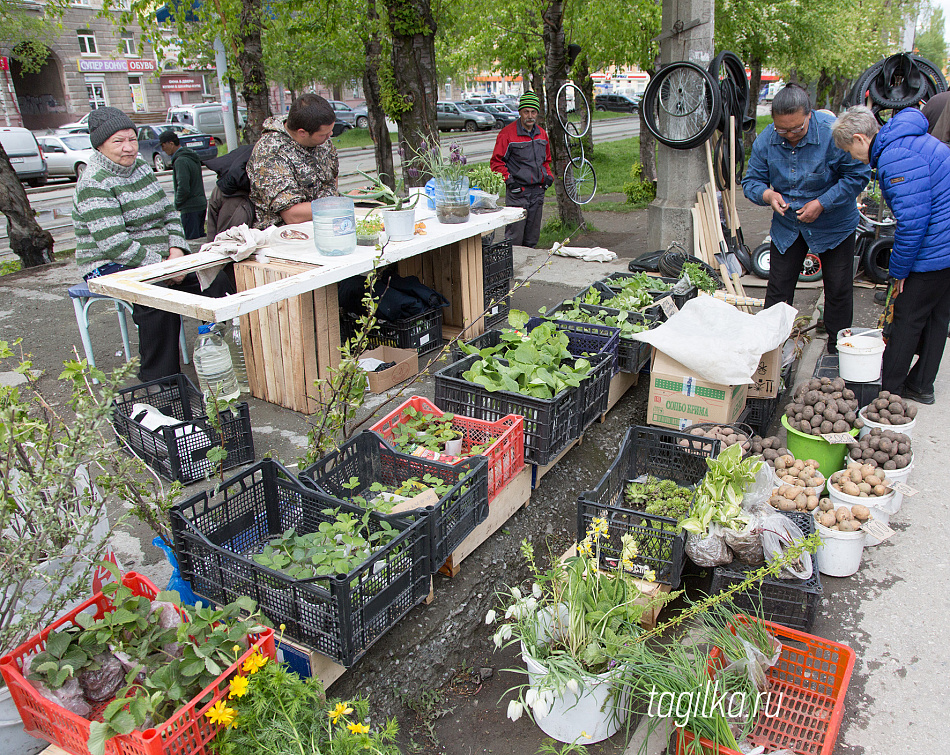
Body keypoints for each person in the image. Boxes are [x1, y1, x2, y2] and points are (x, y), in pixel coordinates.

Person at [832, 105, 950, 404]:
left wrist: (898, 271)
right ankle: (921, 385)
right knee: (937, 316)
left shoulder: (896, 157)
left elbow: (913, 223)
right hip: (946, 244)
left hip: (937, 246)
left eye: (849, 150)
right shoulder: (907, 140)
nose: (851, 157)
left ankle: (889, 392)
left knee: (907, 318)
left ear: (860, 139)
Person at [743, 84, 871, 353]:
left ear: (809, 115)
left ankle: (838, 350)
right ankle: (772, 350)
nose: (789, 136)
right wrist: (767, 195)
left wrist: (822, 203)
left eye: (797, 129)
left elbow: (858, 176)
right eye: (783, 130)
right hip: (788, 225)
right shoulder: (767, 139)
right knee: (778, 290)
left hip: (834, 225)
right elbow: (751, 181)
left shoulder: (832, 133)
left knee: (838, 289)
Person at [73, 107, 189, 382]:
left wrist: (177, 252)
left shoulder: (141, 169)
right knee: (157, 299)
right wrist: (163, 268)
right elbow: (115, 244)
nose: (128, 148)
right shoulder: (93, 182)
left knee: (214, 280)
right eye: (118, 141)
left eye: (132, 139)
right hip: (110, 264)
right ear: (99, 145)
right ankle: (161, 382)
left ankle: (221, 354)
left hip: (163, 258)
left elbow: (170, 214)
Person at [247, 93, 339, 229]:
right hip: (286, 234)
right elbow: (292, 215)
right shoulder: (271, 152)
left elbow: (332, 180)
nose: (329, 136)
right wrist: (340, 205)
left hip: (325, 222)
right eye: (323, 134)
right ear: (302, 132)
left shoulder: (322, 141)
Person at [490, 91, 554, 248]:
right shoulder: (507, 134)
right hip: (518, 193)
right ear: (520, 112)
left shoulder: (542, 134)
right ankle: (513, 269)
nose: (530, 116)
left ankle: (529, 269)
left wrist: (548, 177)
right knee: (515, 238)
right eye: (526, 112)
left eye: (533, 112)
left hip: (537, 192)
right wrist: (510, 182)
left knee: (532, 237)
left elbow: (546, 160)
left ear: (537, 113)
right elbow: (496, 163)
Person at [159, 130, 208, 241]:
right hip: (200, 204)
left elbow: (183, 187)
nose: (162, 149)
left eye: (163, 145)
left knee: (191, 241)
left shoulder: (181, 160)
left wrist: (177, 204)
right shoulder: (191, 156)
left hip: (190, 207)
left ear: (171, 143)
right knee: (199, 238)